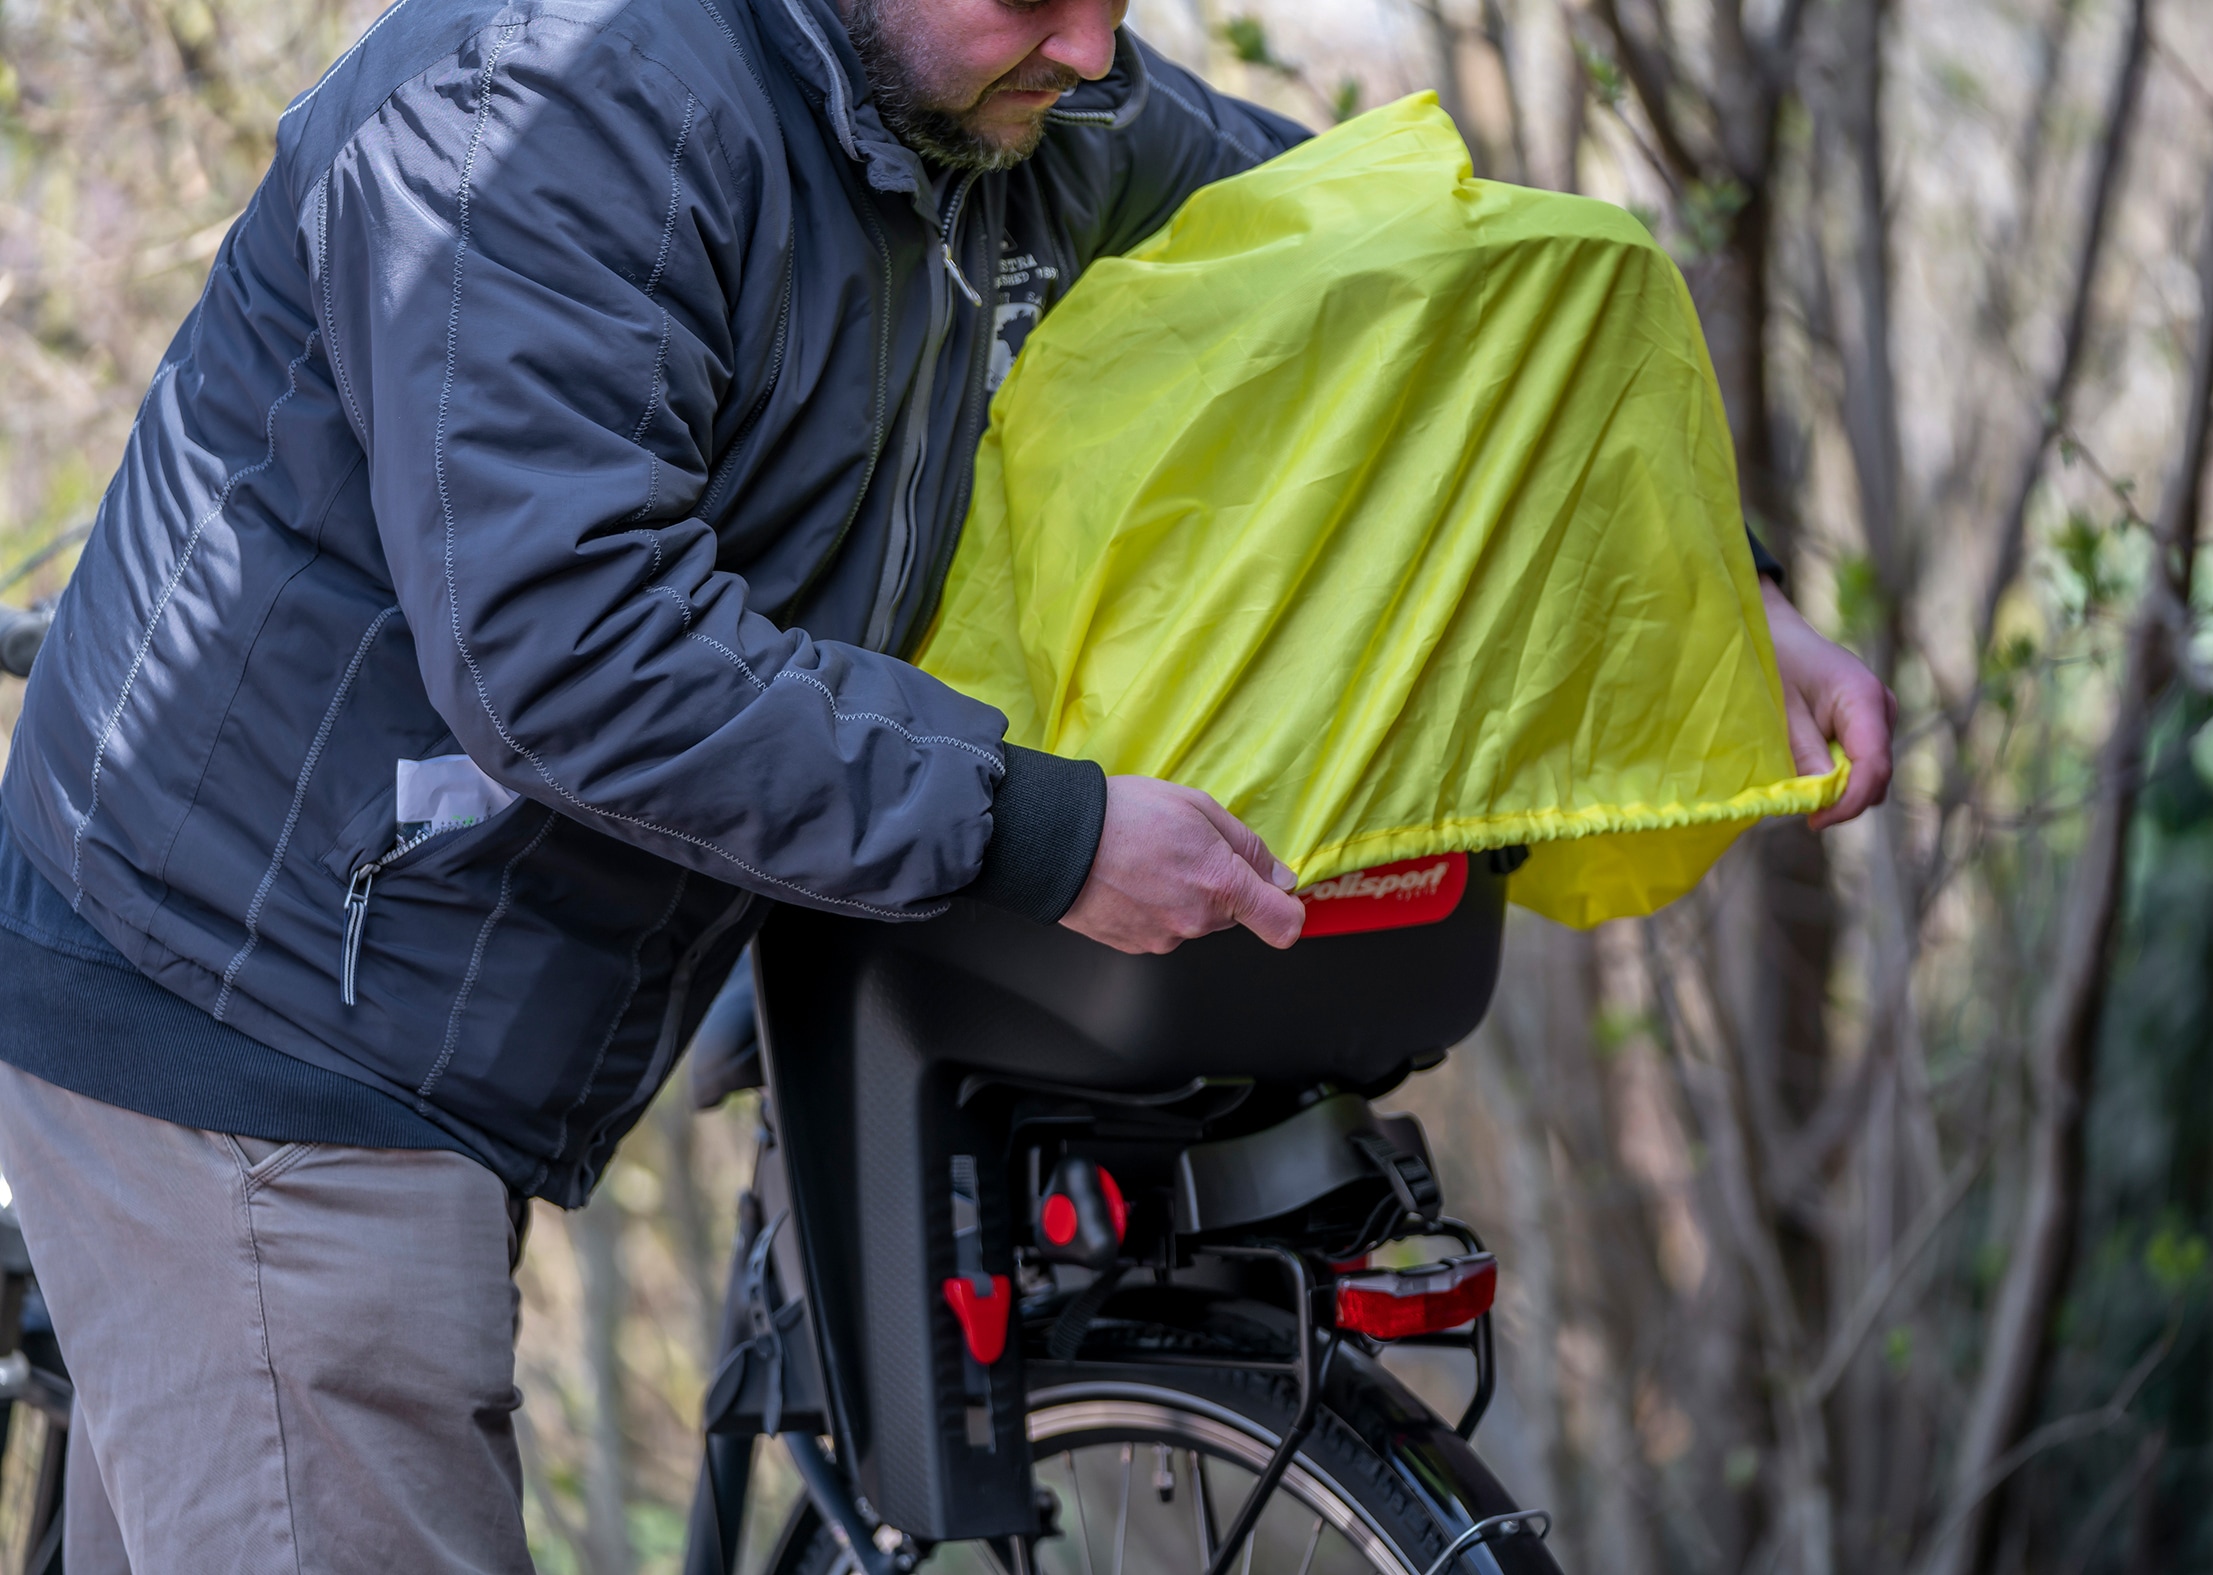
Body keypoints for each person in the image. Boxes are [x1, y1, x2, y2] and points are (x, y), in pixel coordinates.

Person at [0, 0, 1895, 1567]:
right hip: (255, 1017)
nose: (1091, 47)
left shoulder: (1009, 98)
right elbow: (572, 651)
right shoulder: (546, 106)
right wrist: (1046, 830)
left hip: (450, 986)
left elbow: (1387, 288)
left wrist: (1725, 597)